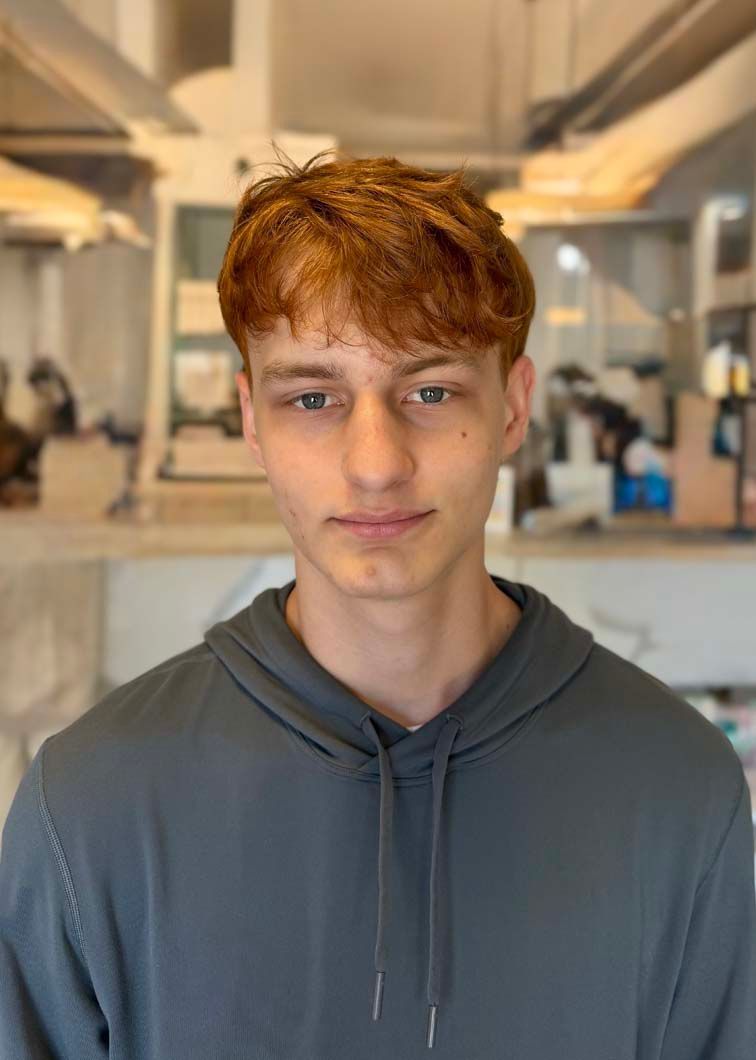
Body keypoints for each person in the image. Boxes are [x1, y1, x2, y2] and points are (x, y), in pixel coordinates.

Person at [1, 150, 755, 1059]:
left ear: (514, 408)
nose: (375, 463)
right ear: (252, 421)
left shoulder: (679, 792)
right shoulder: (90, 805)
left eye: (430, 391)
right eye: (313, 397)